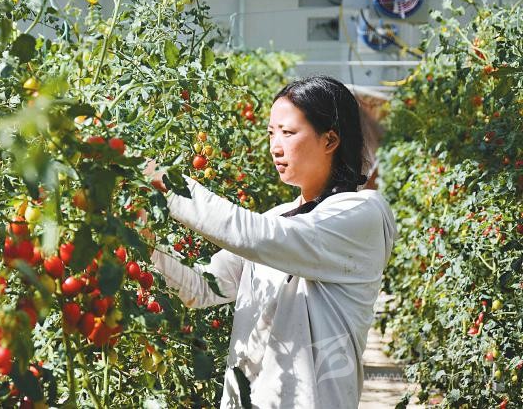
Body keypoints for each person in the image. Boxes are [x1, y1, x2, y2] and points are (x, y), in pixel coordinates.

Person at [143, 76, 397, 409]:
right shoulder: (280, 218)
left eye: (288, 133)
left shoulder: (361, 213)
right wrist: (143, 241)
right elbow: (201, 287)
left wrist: (169, 183)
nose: (275, 146)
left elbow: (257, 236)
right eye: (271, 133)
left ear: (330, 140)